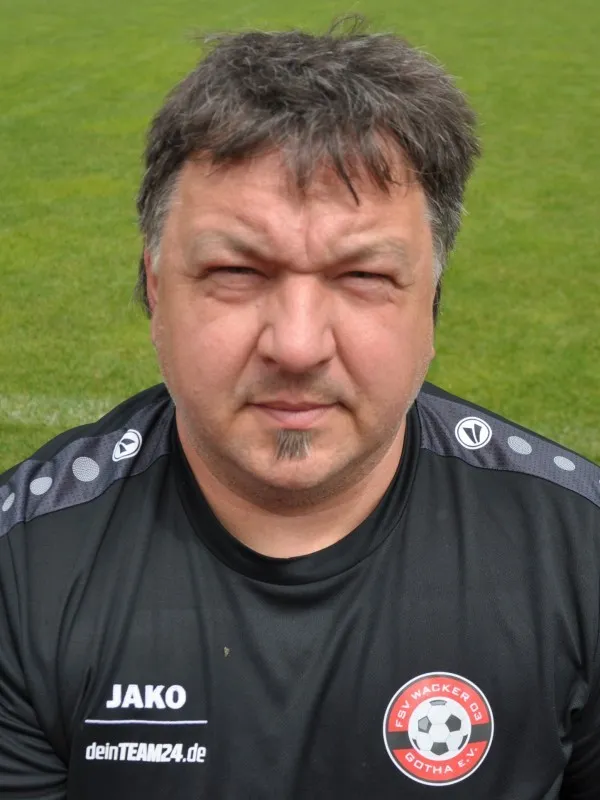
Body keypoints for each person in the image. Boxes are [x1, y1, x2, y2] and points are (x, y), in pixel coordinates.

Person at [0, 19, 598, 799]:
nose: (297, 345)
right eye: (237, 271)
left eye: (362, 277)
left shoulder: (579, 555)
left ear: (431, 303)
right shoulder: (22, 571)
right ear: (156, 287)